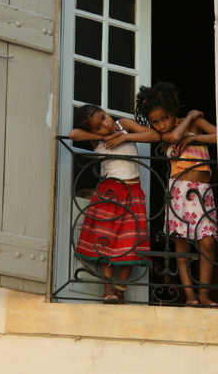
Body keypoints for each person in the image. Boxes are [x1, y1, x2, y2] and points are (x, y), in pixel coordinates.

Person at [135, 82, 218, 307]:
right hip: (180, 193)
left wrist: (194, 137)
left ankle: (204, 294)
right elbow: (174, 138)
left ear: (173, 109)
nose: (161, 125)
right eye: (155, 121)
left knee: (208, 244)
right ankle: (190, 296)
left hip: (203, 193)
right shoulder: (165, 134)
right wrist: (189, 119)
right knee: (181, 246)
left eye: (165, 118)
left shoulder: (195, 124)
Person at [69, 104, 159, 303]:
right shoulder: (97, 138)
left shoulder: (124, 124)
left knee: (130, 242)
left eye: (103, 117)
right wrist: (103, 137)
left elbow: (154, 135)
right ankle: (108, 288)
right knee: (106, 242)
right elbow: (73, 134)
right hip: (111, 193)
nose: (106, 124)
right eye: (98, 127)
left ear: (105, 111)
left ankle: (120, 289)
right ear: (93, 132)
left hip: (133, 192)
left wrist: (125, 137)